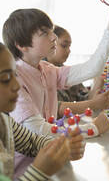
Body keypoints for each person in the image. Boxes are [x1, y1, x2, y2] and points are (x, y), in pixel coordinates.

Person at [2, 0, 109, 178]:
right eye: (45, 33)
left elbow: (91, 68)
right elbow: (37, 131)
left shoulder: (47, 70)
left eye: (52, 32)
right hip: (25, 170)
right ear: (21, 45)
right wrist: (93, 129)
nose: (53, 38)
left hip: (53, 159)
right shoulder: (16, 78)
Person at [0, 42, 85, 181]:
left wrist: (62, 147)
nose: (16, 85)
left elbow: (32, 142)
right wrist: (39, 171)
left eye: (15, 75)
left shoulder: (4, 121)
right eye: (5, 79)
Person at [46, 25, 94, 102]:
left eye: (69, 46)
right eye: (64, 46)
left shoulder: (67, 72)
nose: (69, 51)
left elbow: (85, 99)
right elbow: (58, 109)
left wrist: (98, 80)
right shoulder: (41, 72)